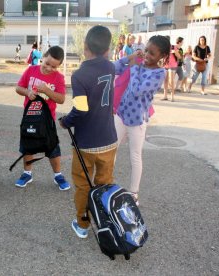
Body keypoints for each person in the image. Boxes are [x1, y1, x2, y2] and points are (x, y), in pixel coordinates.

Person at [59, 26, 139, 239]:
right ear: (107, 49)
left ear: (85, 46)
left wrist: (66, 121)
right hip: (109, 140)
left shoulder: (79, 75)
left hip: (85, 143)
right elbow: (119, 64)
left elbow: (80, 109)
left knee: (83, 185)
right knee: (105, 184)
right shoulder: (109, 68)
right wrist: (131, 57)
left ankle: (83, 224)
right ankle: (106, 221)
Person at [115, 35, 170, 206]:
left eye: (152, 53)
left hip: (138, 120)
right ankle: (105, 183)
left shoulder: (160, 73)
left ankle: (133, 193)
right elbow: (116, 69)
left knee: (135, 156)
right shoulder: (138, 65)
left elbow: (137, 89)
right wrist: (131, 60)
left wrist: (134, 68)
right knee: (111, 150)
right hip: (121, 113)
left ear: (162, 56)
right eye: (146, 50)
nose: (146, 55)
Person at [14, 45, 71, 191]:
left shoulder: (58, 78)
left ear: (59, 66)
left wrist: (46, 90)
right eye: (47, 63)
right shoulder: (31, 70)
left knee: (52, 148)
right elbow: (18, 88)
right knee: (27, 146)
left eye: (54, 66)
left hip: (47, 121)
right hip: (30, 118)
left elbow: (61, 99)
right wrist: (27, 92)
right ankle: (27, 173)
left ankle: (58, 175)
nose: (48, 68)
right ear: (43, 57)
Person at [162, 37, 182, 102]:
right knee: (165, 80)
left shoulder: (173, 47)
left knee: (171, 81)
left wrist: (175, 52)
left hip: (172, 65)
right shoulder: (164, 48)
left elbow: (179, 56)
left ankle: (172, 97)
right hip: (165, 65)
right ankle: (165, 96)